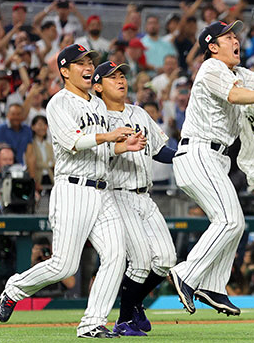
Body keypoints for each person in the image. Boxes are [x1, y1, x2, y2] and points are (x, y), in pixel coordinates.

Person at [0, 43, 146, 338]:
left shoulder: (98, 104)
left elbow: (101, 148)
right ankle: (14, 288)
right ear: (64, 71)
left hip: (103, 190)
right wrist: (108, 135)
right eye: (80, 63)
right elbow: (73, 142)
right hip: (73, 189)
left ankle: (92, 323)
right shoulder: (58, 103)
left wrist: (120, 146)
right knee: (64, 266)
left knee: (116, 255)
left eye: (89, 61)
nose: (88, 66)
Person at [168, 21, 254, 316]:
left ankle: (214, 286)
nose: (235, 39)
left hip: (216, 158)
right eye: (228, 36)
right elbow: (236, 96)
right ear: (213, 47)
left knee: (235, 223)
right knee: (230, 221)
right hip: (199, 151)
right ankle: (187, 274)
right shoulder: (211, 67)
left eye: (235, 35)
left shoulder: (237, 72)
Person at [92, 61, 177, 336]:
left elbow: (160, 150)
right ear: (97, 86)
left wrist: (187, 155)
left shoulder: (138, 112)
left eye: (121, 76)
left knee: (166, 259)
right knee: (139, 262)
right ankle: (124, 320)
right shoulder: (96, 118)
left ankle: (135, 303)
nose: (120, 80)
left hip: (144, 195)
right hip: (117, 194)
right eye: (111, 77)